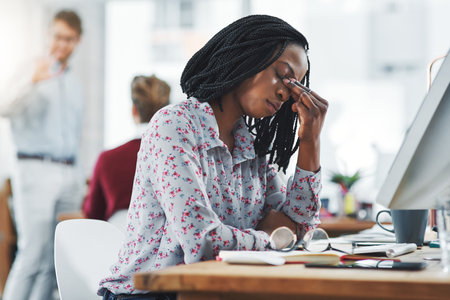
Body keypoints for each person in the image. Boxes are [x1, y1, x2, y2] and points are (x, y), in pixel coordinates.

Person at [99, 14, 328, 299]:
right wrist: (271, 237)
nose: (285, 92)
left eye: (295, 86)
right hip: (149, 294)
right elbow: (202, 242)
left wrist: (310, 142)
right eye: (282, 75)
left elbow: (300, 231)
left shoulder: (253, 149)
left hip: (217, 290)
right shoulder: (174, 126)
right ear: (246, 58)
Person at [0, 10, 84, 300]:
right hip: (34, 170)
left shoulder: (74, 81)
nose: (63, 44)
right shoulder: (30, 68)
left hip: (68, 174)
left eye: (70, 39)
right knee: (32, 255)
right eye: (58, 37)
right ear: (48, 35)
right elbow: (4, 107)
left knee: (53, 261)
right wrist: (32, 81)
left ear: (78, 41)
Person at [82, 75, 170, 223]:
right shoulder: (179, 157)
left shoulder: (107, 159)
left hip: (117, 238)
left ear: (134, 110)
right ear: (168, 111)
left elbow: (92, 213)